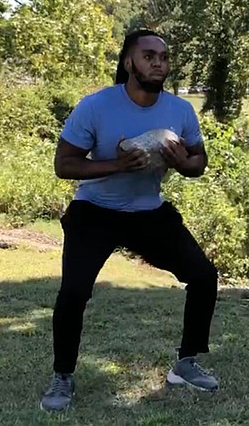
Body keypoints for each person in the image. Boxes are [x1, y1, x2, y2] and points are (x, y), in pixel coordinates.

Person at [40, 29, 220, 413]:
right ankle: (63, 377)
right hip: (95, 212)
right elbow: (63, 165)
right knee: (74, 292)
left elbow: (199, 163)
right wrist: (117, 164)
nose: (158, 63)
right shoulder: (96, 106)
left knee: (203, 276)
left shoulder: (179, 111)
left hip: (148, 213)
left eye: (164, 57)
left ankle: (186, 364)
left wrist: (182, 162)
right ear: (129, 62)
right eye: (149, 56)